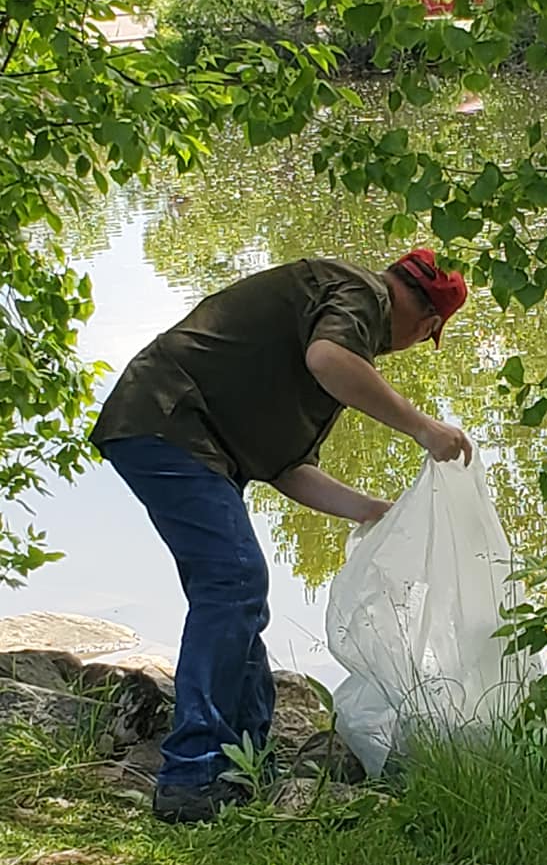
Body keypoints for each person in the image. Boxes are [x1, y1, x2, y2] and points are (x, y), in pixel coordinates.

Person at [91, 248, 471, 824]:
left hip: (176, 430)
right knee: (234, 581)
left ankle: (245, 762)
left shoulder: (338, 325)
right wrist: (424, 428)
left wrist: (374, 512)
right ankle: (192, 775)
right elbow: (328, 360)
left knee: (238, 590)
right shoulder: (359, 298)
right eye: (425, 337)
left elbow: (289, 469)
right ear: (427, 324)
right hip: (165, 419)